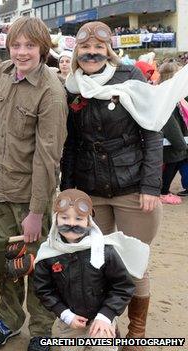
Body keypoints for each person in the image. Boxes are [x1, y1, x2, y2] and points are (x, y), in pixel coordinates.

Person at [61, 21, 164, 351]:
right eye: (85, 48)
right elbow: (71, 143)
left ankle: (136, 332)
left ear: (109, 51)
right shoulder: (71, 85)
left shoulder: (130, 77)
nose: (91, 53)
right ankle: (106, 329)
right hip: (90, 191)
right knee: (96, 264)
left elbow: (152, 131)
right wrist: (69, 191)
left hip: (132, 187)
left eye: (99, 48)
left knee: (134, 264)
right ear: (77, 51)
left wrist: (151, 185)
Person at [0, 17, 68, 351]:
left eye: (29, 46)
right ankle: (9, 319)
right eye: (16, 45)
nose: (21, 52)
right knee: (8, 263)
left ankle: (42, 329)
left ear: (43, 49)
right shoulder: (3, 73)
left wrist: (35, 212)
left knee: (39, 265)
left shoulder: (51, 93)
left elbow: (48, 159)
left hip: (31, 197)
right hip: (0, 190)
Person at [34, 189, 148, 351]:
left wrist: (106, 315)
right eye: (64, 217)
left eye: (79, 219)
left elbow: (122, 287)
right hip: (69, 322)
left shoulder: (104, 251)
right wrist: (65, 314)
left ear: (88, 222)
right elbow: (43, 290)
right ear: (55, 219)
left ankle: (111, 331)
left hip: (101, 319)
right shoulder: (47, 254)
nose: (71, 223)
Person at [157, 62, 187, 204]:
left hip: (176, 141)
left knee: (174, 164)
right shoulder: (166, 96)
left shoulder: (172, 94)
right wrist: (180, 143)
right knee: (171, 165)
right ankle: (163, 192)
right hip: (171, 142)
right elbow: (170, 124)